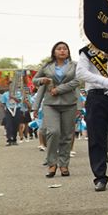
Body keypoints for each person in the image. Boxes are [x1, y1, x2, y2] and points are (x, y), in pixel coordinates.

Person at [76, 45, 108, 192]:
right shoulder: (88, 52)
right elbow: (81, 72)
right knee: (97, 138)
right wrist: (104, 81)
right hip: (96, 95)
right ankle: (100, 177)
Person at [33, 42, 79, 178]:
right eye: (59, 49)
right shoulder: (47, 66)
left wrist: (59, 89)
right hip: (50, 104)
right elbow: (35, 80)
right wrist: (43, 80)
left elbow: (77, 81)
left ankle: (64, 164)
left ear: (68, 52)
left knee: (67, 135)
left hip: (69, 104)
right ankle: (52, 163)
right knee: (53, 132)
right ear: (54, 52)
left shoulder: (75, 66)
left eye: (65, 49)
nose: (62, 51)